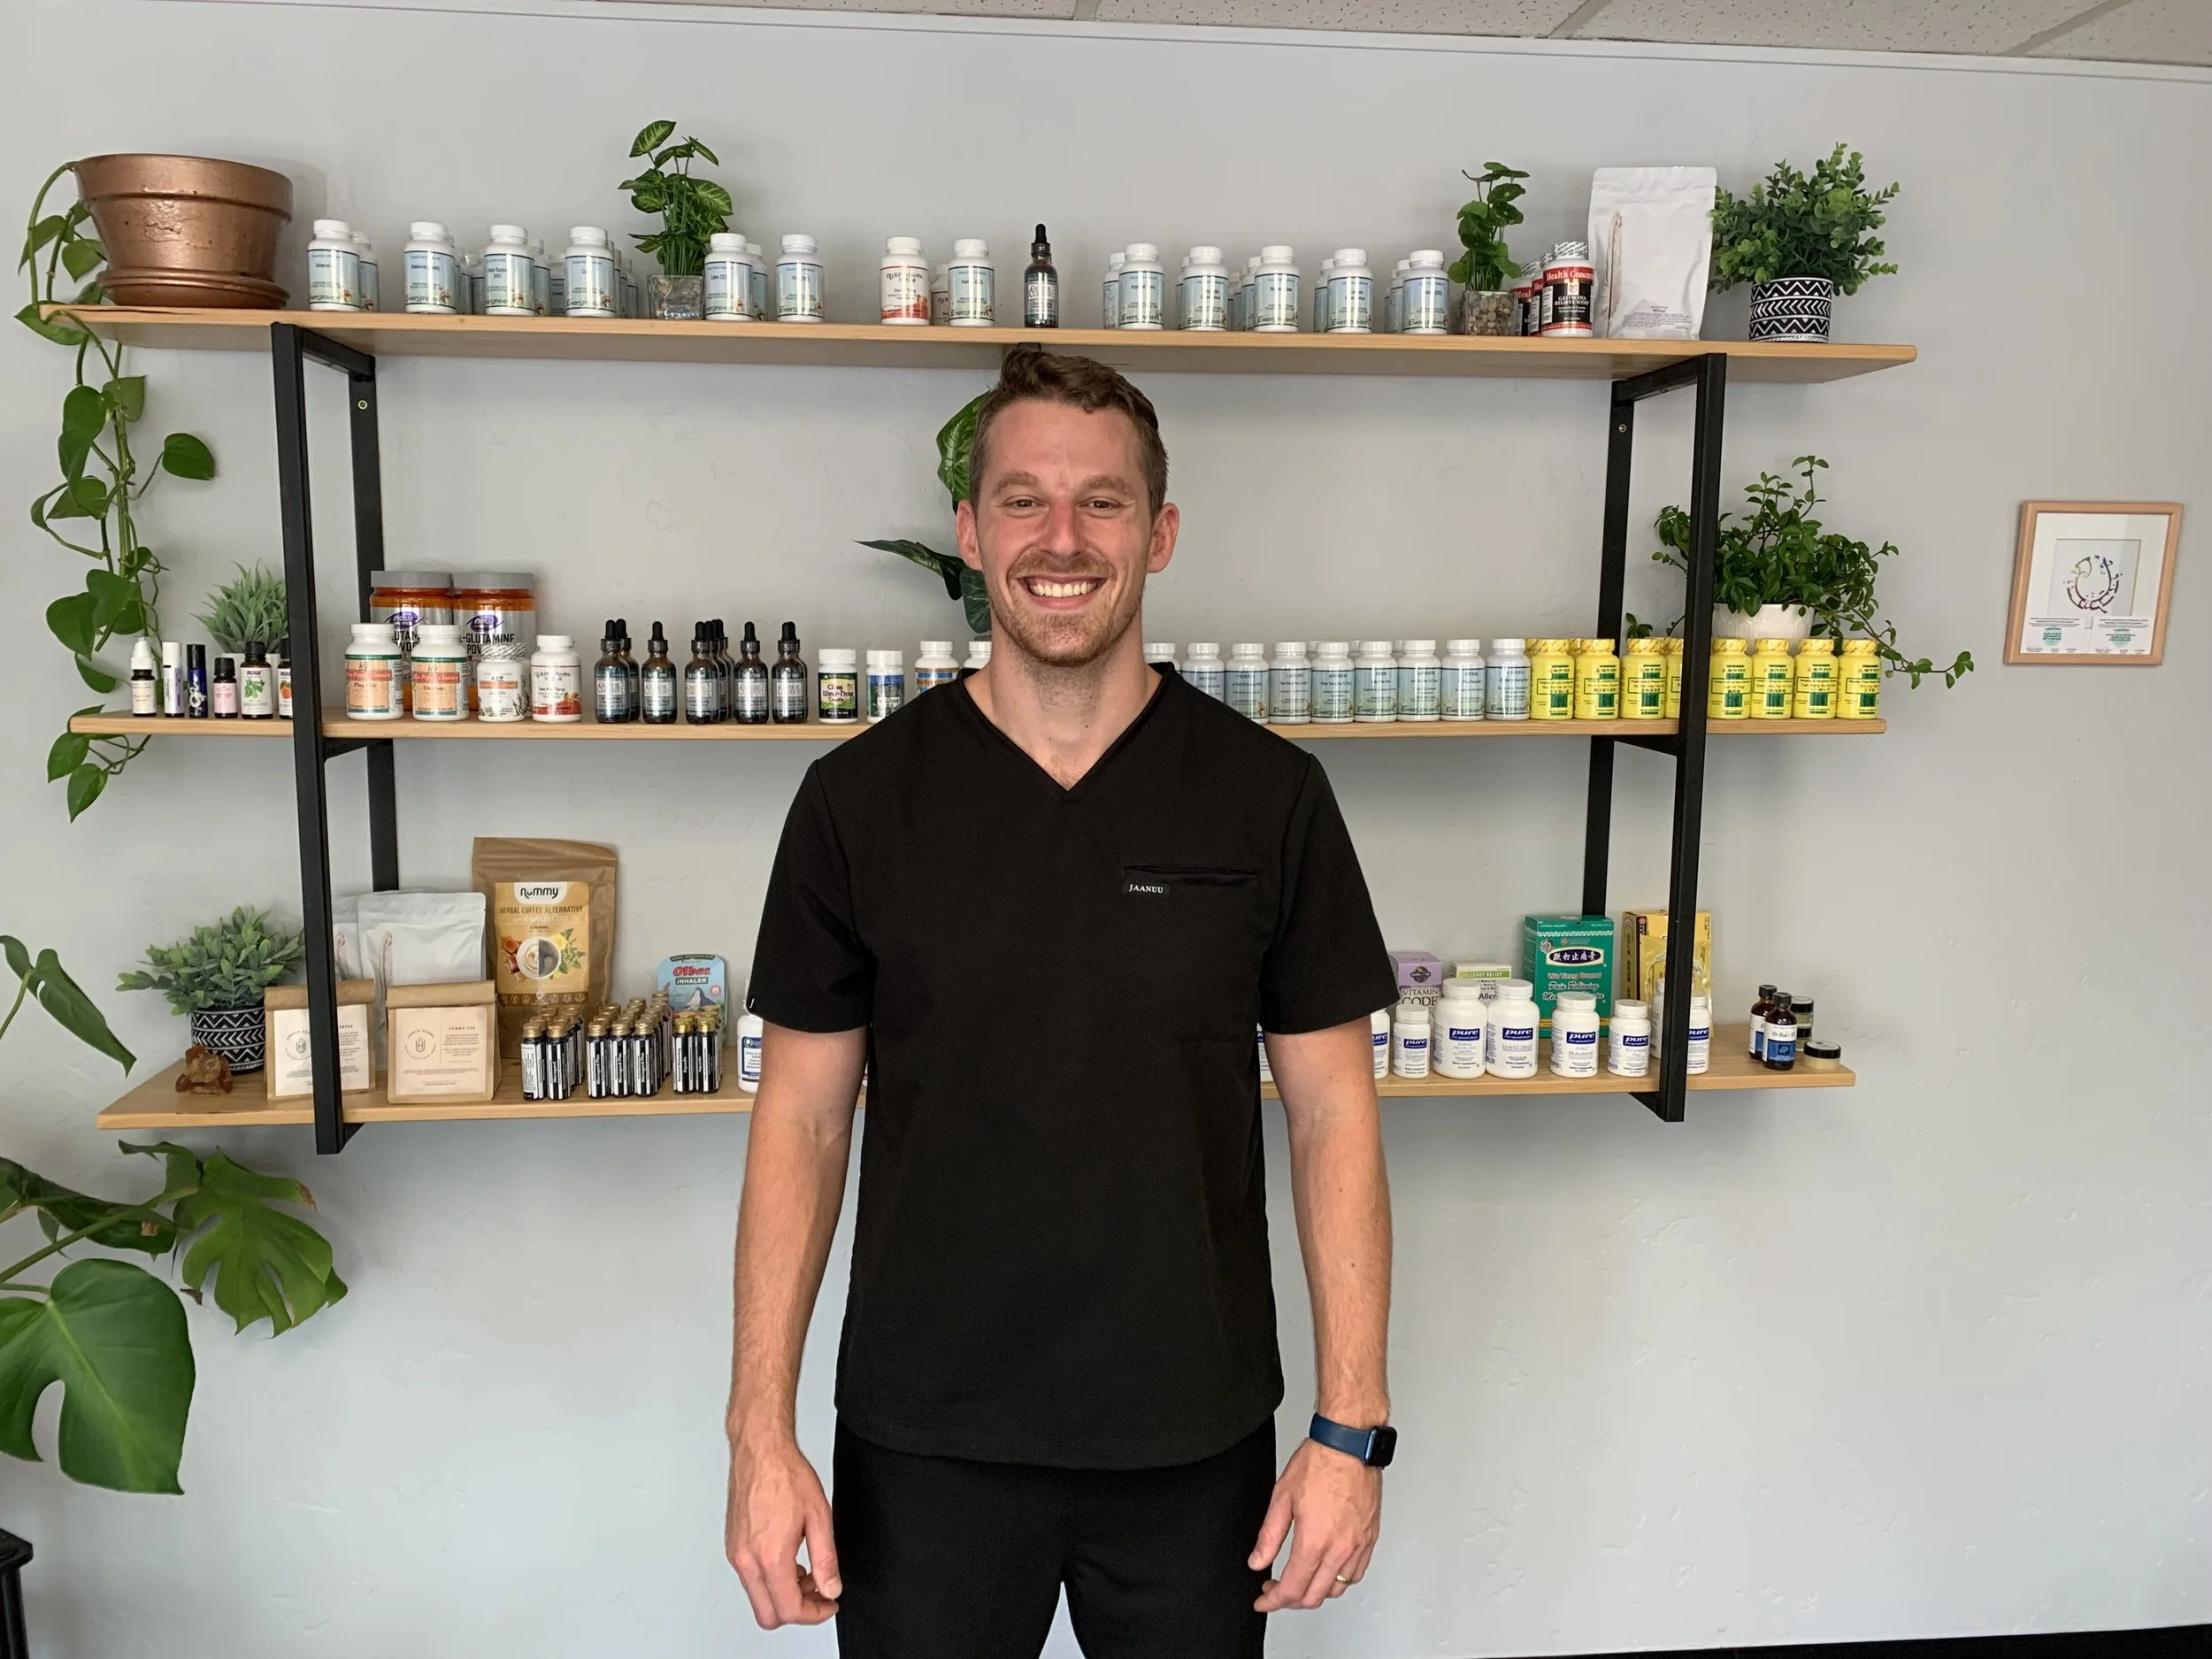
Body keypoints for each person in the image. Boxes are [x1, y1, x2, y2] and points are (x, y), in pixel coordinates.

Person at [724, 345, 1397, 1658]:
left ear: (1160, 532)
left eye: (1103, 500)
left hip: (1191, 1445)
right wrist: (761, 1431)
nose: (1063, 537)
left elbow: (1334, 1118)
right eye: (1024, 499)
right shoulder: (859, 804)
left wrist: (1349, 1429)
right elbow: (800, 1122)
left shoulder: (1270, 798)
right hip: (925, 1445)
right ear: (970, 533)